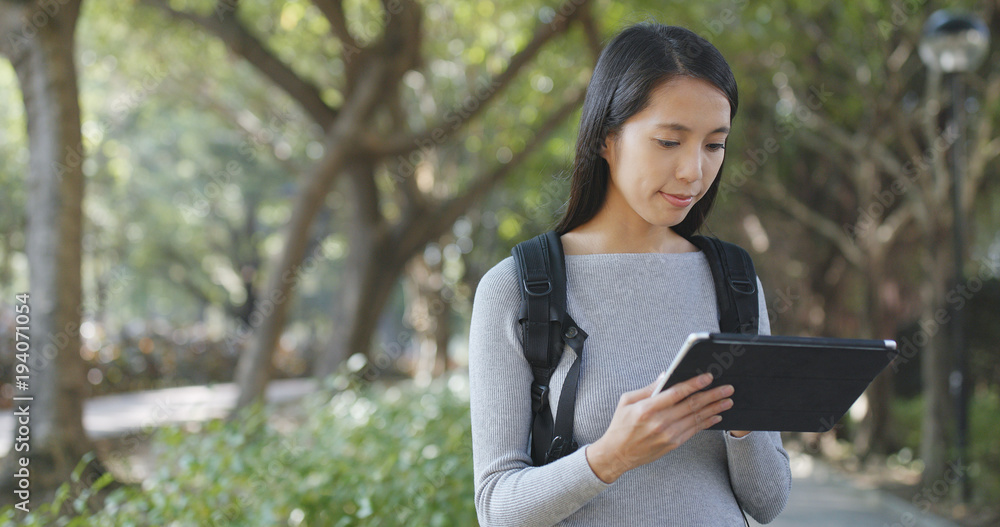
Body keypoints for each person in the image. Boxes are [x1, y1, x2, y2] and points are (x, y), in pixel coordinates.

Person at [467, 21, 792, 526]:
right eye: (669, 141)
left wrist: (742, 424)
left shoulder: (734, 282)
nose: (693, 171)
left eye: (714, 145)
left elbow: (767, 502)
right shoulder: (516, 289)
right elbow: (497, 509)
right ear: (605, 138)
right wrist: (610, 456)